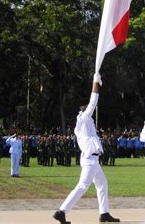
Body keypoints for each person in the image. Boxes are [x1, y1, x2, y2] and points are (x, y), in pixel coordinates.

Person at [53, 74, 120, 223]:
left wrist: (96, 84)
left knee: (102, 183)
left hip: (93, 160)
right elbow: (93, 102)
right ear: (81, 108)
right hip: (90, 160)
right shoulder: (82, 119)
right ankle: (61, 211)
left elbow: (91, 104)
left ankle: (104, 213)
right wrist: (95, 83)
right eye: (85, 106)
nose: (88, 107)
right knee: (83, 186)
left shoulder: (86, 122)